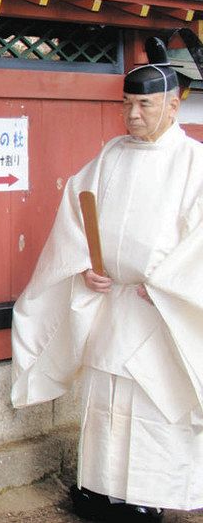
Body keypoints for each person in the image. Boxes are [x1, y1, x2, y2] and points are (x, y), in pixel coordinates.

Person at [11, 38, 203, 522]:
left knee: (153, 402)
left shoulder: (193, 163)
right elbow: (78, 214)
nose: (132, 115)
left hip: (162, 309)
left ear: (173, 105)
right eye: (127, 104)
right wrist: (85, 266)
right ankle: (99, 489)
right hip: (114, 302)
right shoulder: (111, 155)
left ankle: (148, 496)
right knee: (104, 398)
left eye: (144, 104)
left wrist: (166, 285)